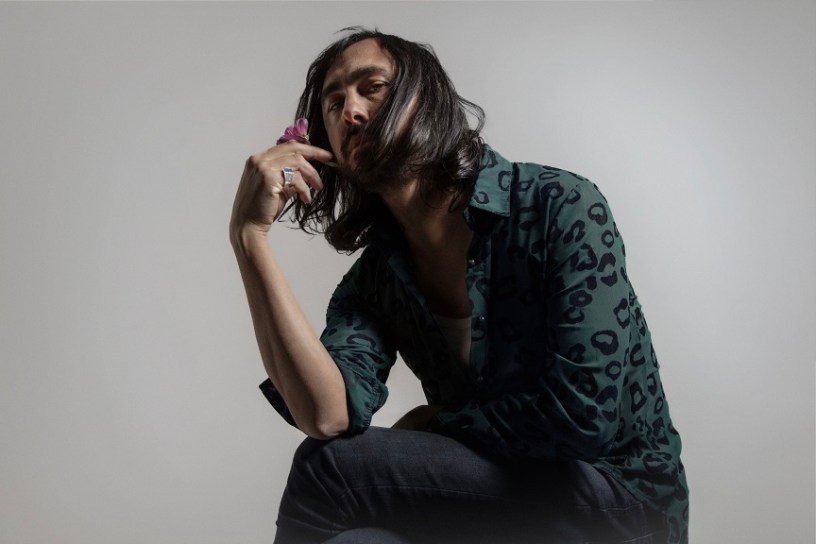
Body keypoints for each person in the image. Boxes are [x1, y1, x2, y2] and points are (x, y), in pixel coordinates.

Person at [230, 28, 689, 544]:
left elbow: (582, 420)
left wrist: (437, 422)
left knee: (328, 470)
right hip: (492, 506)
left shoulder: (558, 207)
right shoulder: (376, 282)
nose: (350, 111)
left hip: (618, 500)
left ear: (425, 100)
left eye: (371, 87)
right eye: (333, 104)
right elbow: (328, 415)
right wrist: (250, 237)